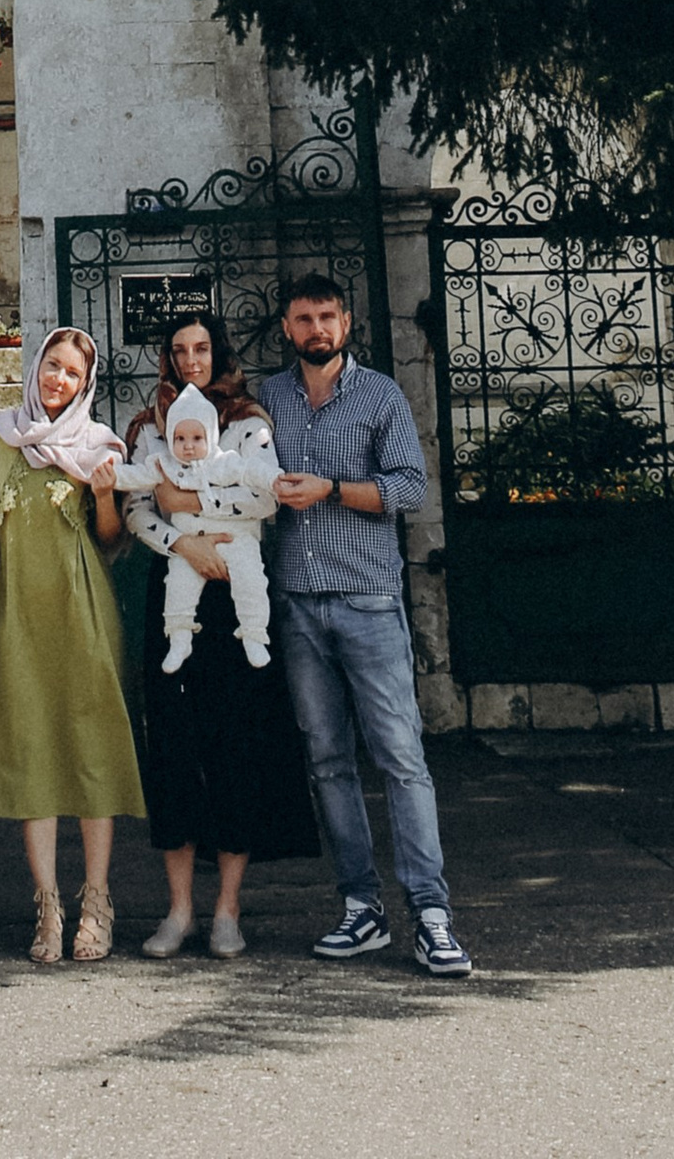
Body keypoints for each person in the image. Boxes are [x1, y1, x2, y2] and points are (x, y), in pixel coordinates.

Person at [254, 272, 472, 979]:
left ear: (345, 323)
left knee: (401, 758)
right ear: (287, 328)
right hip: (296, 603)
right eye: (303, 318)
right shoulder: (270, 399)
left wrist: (331, 490)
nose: (316, 329)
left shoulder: (379, 395)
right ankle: (361, 907)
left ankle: (432, 916)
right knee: (327, 761)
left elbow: (410, 487)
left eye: (327, 316)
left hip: (368, 600)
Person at [119, 311, 317, 960]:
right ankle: (179, 909)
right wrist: (183, 540)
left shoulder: (248, 423)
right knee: (175, 746)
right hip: (176, 587)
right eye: (179, 350)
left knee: (235, 743)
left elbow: (266, 500)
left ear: (218, 353)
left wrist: (194, 506)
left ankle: (227, 909)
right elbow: (136, 509)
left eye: (201, 348)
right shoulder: (151, 427)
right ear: (168, 358)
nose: (190, 360)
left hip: (237, 593)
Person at [0, 324, 146, 965]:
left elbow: (112, 539)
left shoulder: (99, 446)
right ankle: (47, 905)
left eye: (72, 373)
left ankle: (97, 902)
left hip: (82, 609)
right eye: (51, 366)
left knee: (91, 750)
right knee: (31, 749)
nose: (58, 379)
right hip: (13, 613)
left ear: (86, 384)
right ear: (35, 367)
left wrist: (103, 495)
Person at [119, 391, 276, 667]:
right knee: (178, 586)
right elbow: (136, 482)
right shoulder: (164, 459)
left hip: (235, 537)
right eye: (179, 439)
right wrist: (109, 475)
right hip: (184, 545)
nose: (188, 446)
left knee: (251, 579)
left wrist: (275, 479)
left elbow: (255, 478)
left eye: (196, 438)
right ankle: (179, 637)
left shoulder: (226, 456)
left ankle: (254, 634)